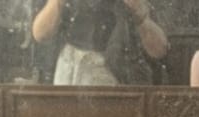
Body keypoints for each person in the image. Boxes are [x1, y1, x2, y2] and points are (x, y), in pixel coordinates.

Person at [32, 0, 168, 87]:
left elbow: (160, 50)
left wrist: (140, 16)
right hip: (70, 76)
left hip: (122, 83)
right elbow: (39, 34)